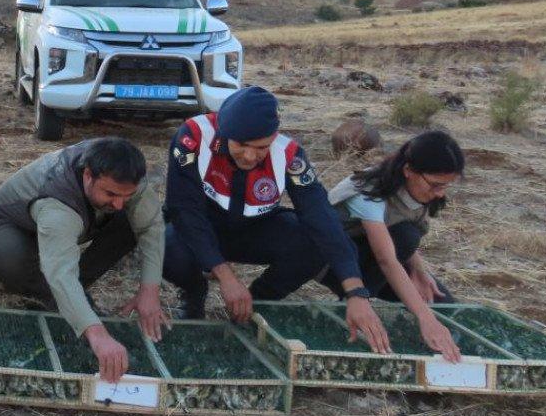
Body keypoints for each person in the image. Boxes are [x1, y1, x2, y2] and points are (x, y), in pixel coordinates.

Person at [161, 86, 391, 353]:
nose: (250, 156)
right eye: (241, 145)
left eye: (261, 147)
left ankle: (258, 303)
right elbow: (184, 210)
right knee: (168, 246)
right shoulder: (193, 136)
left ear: (274, 136)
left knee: (314, 242)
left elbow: (321, 217)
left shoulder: (289, 154)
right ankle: (194, 294)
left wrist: (356, 292)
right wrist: (225, 276)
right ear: (224, 132)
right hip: (201, 227)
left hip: (253, 228)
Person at [0, 137, 168, 383]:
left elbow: (151, 226)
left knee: (131, 222)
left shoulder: (126, 173)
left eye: (126, 195)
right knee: (13, 261)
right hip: (11, 225)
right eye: (110, 193)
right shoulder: (59, 201)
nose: (119, 203)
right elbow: (60, 272)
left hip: (71, 224)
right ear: (88, 175)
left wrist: (150, 290)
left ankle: (71, 297)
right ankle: (59, 299)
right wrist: (96, 333)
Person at [325, 130, 465, 361]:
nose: (440, 193)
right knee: (406, 239)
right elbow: (387, 258)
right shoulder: (369, 191)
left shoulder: (415, 188)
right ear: (408, 170)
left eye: (446, 186)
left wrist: (419, 271)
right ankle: (352, 311)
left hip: (375, 262)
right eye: (435, 185)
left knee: (442, 305)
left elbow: (397, 235)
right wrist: (426, 319)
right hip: (334, 264)